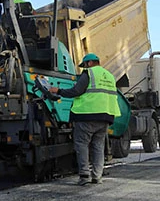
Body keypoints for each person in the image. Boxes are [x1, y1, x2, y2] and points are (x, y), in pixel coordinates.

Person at [49, 53, 121, 185]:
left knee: (82, 145)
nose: (84, 68)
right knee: (98, 147)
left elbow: (76, 91)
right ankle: (97, 176)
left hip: (87, 115)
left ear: (89, 63)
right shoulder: (110, 76)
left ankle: (84, 176)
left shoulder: (89, 74)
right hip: (105, 116)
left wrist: (58, 91)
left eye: (84, 66)